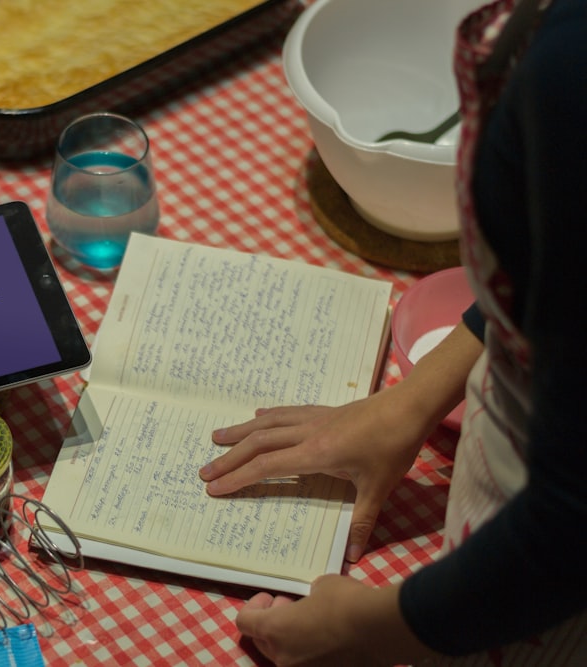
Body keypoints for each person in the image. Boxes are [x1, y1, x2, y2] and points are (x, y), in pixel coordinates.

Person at [198, 0, 587, 664]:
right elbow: (555, 276)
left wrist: (374, 625)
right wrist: (409, 403)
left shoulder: (572, 75)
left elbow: (571, 522)